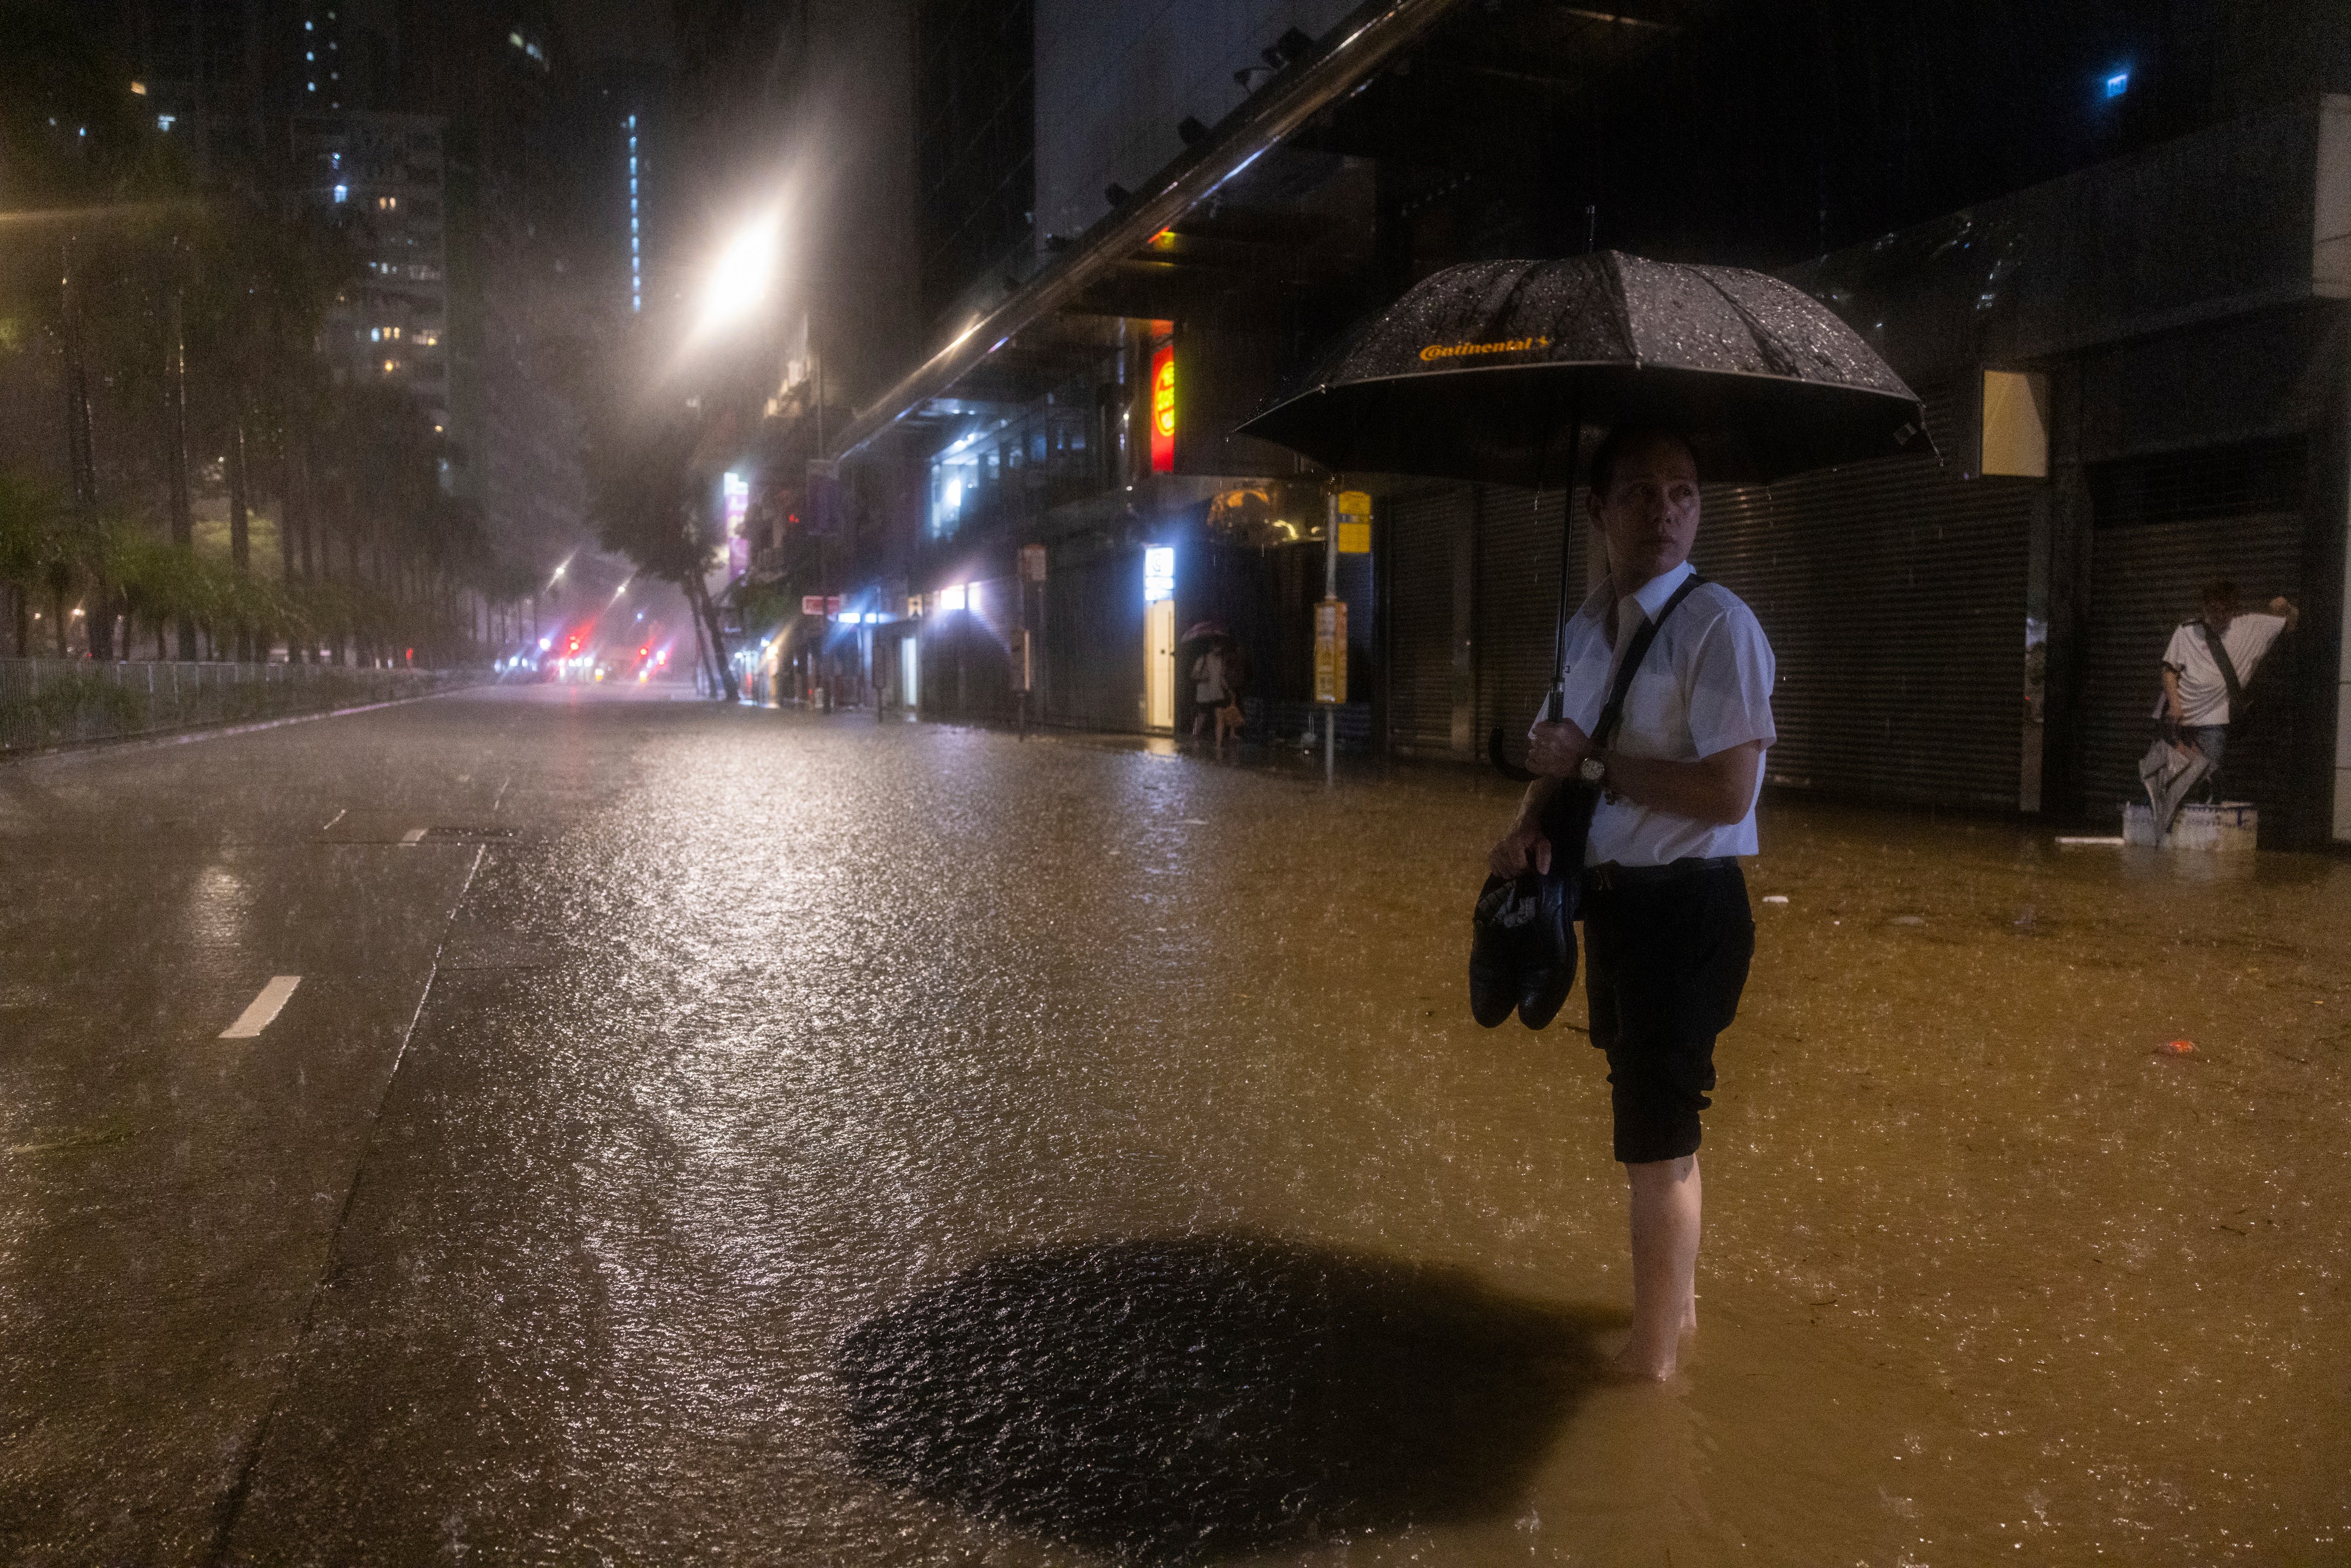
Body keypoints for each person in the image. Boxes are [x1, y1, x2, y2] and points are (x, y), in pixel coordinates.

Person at [1487, 426, 1776, 1381]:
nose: (1665, 511)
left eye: (1683, 492)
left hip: (1689, 910)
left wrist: (1596, 762)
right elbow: (1562, 762)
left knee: (1654, 1139)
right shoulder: (1581, 631)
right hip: (1610, 906)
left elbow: (1730, 791)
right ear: (1597, 510)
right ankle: (1677, 1316)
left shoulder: (1717, 625)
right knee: (1660, 1123)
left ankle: (1651, 1365)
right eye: (1642, 493)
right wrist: (1530, 819)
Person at [2158, 581, 2298, 799]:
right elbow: (2169, 670)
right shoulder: (2187, 631)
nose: (2218, 616)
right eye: (2212, 610)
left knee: (2207, 781)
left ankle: (2206, 824)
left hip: (2212, 724)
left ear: (2234, 610)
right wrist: (2174, 704)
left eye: (2225, 611)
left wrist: (2285, 608)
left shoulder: (2251, 628)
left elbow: (2290, 623)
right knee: (2175, 782)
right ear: (2205, 608)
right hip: (2179, 722)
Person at [1190, 639, 1229, 744]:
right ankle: (1195, 737)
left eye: (1220, 646)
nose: (1219, 648)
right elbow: (1194, 675)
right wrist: (1203, 677)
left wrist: (1227, 689)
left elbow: (1221, 677)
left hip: (1218, 693)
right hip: (1205, 694)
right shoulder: (1203, 659)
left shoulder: (1222, 660)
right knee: (1201, 717)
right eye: (1217, 645)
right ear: (1212, 646)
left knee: (1220, 717)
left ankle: (1219, 743)